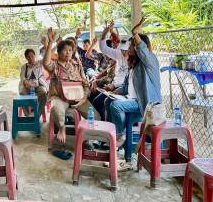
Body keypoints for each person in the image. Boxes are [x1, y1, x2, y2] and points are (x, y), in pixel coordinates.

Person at [105, 17, 162, 146]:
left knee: (116, 106)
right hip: (131, 100)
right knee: (108, 100)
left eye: (132, 45)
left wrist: (135, 33)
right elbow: (125, 86)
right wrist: (115, 92)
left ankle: (120, 135)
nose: (129, 48)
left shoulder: (150, 61)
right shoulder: (133, 66)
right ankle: (114, 132)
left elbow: (144, 52)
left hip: (145, 103)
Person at [43, 28, 98, 144]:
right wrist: (50, 43)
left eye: (70, 50)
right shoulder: (55, 65)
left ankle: (86, 139)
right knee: (55, 108)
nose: (68, 52)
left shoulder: (77, 66)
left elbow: (85, 84)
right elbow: (46, 62)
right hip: (59, 97)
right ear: (59, 52)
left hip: (77, 98)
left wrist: (84, 99)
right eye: (65, 50)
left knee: (97, 118)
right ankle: (62, 128)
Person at [91, 21, 130, 121]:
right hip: (114, 86)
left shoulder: (134, 59)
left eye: (126, 50)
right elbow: (103, 48)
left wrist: (114, 87)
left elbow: (128, 81)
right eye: (122, 50)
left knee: (106, 102)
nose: (124, 52)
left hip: (124, 89)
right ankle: (104, 124)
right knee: (97, 101)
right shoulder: (119, 54)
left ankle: (112, 126)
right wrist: (104, 34)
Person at [19, 49, 49, 117]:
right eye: (29, 57)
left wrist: (46, 45)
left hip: (39, 84)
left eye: (32, 56)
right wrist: (27, 84)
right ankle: (27, 114)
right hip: (28, 85)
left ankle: (38, 114)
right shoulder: (24, 67)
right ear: (26, 58)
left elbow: (47, 57)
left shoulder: (40, 63)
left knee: (43, 93)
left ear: (35, 56)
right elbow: (22, 77)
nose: (31, 58)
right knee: (22, 92)